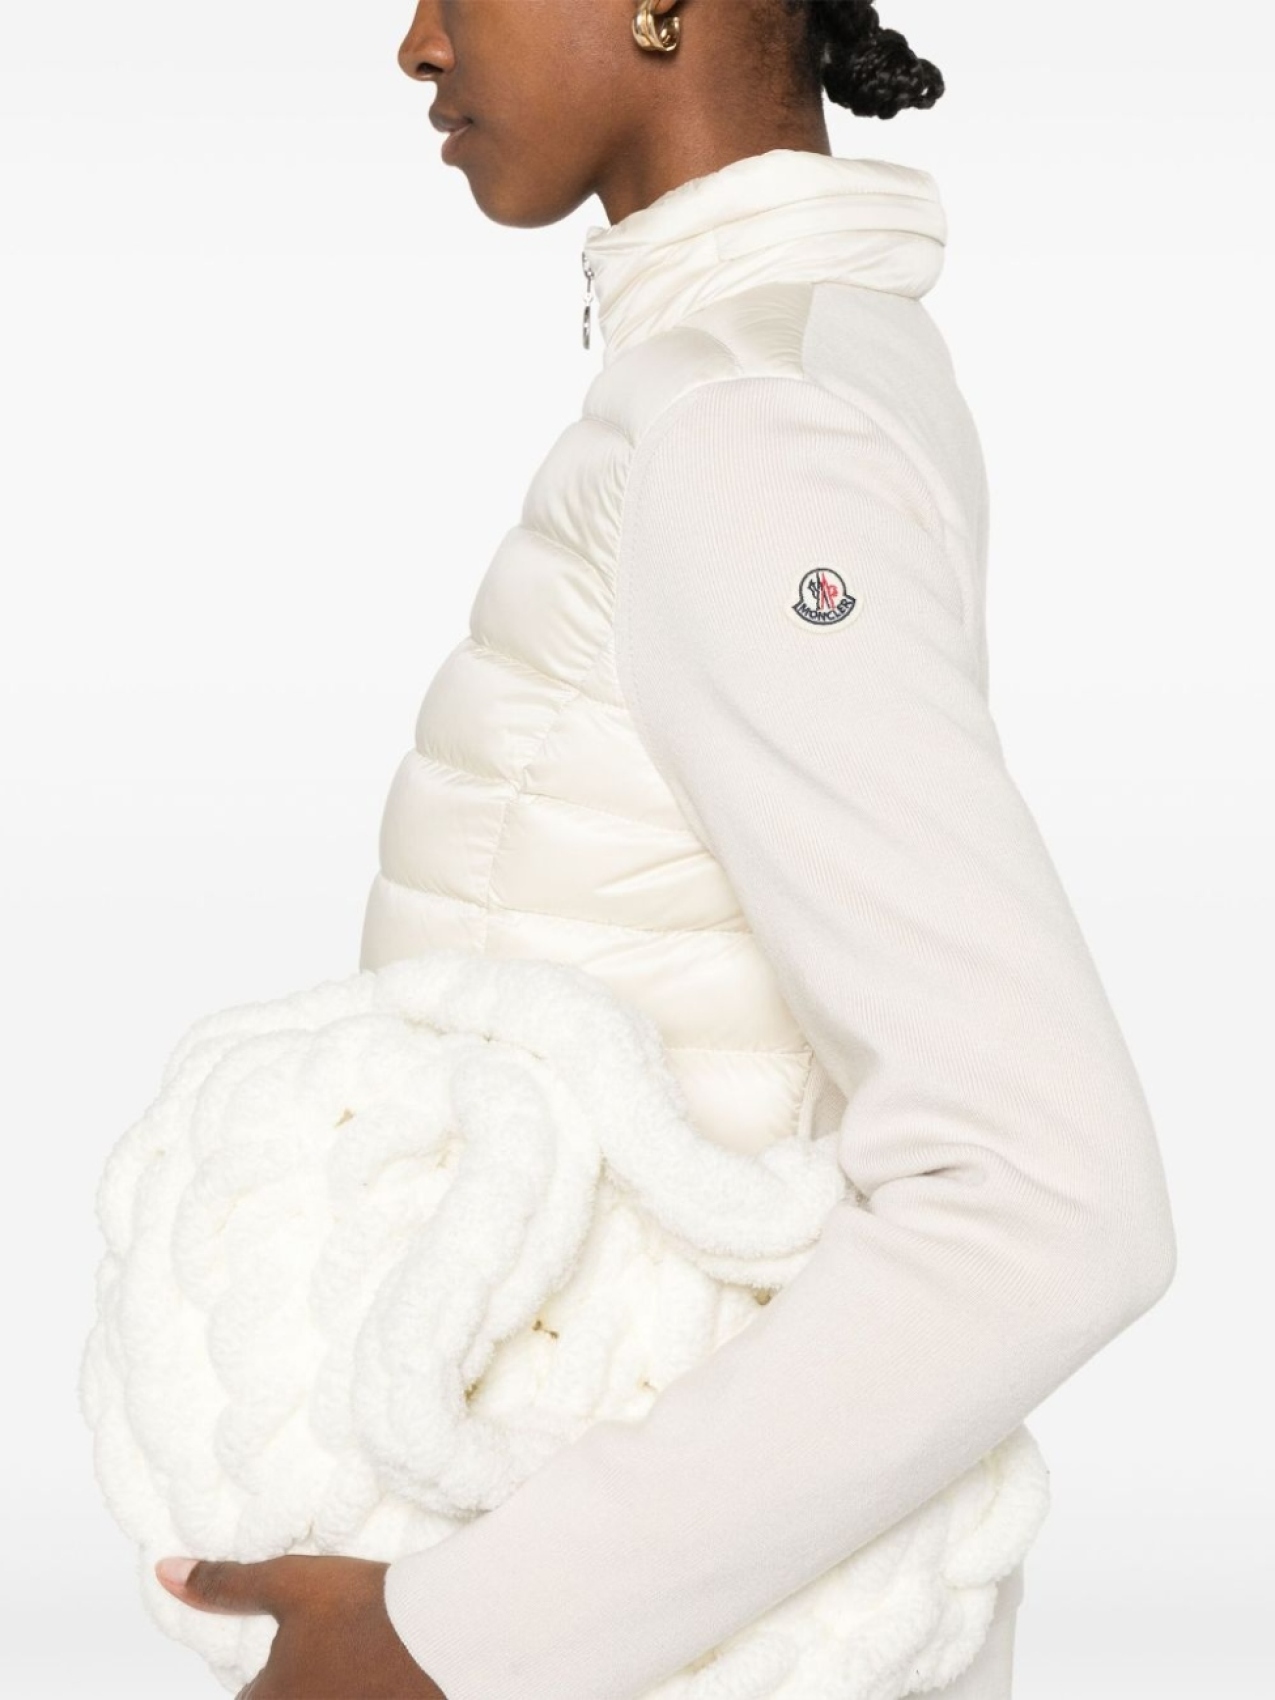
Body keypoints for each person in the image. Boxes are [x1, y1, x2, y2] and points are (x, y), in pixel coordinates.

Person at [154, 4, 1178, 1697]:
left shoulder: (753, 429)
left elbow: (1050, 1196)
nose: (416, 43)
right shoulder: (764, 375)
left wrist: (456, 1639)